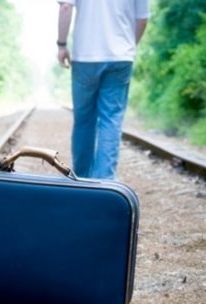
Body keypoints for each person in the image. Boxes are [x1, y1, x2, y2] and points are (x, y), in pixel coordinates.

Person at [57, 0, 150, 180]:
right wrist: (128, 46)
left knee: (84, 119)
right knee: (111, 119)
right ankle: (105, 182)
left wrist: (61, 45)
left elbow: (65, 7)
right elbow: (142, 20)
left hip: (85, 56)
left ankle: (82, 179)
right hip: (121, 57)